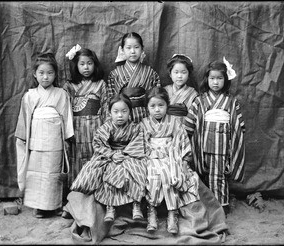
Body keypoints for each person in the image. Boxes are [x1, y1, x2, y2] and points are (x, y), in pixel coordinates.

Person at [70, 93, 147, 222]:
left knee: (137, 169)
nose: (120, 115)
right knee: (109, 171)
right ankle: (110, 207)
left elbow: (138, 145)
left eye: (124, 111)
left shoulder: (136, 128)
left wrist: (123, 155)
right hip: (109, 155)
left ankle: (136, 205)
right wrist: (112, 154)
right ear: (110, 112)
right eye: (116, 112)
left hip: (129, 155)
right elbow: (99, 145)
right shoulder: (106, 127)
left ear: (130, 112)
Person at [15, 52, 74, 218]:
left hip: (55, 140)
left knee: (52, 173)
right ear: (35, 74)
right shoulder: (29, 96)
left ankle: (54, 205)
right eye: (41, 73)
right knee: (36, 172)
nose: (45, 77)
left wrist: (67, 138)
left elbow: (66, 117)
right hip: (36, 140)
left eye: (50, 73)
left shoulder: (62, 94)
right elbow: (24, 119)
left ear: (55, 74)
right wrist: (22, 138)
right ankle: (39, 206)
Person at [185, 57, 246, 214]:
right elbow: (189, 124)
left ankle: (222, 206)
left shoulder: (231, 102)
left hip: (222, 144)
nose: (216, 82)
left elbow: (239, 126)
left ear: (225, 80)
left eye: (219, 78)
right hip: (203, 144)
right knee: (203, 174)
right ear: (207, 79)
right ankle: (207, 205)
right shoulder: (200, 100)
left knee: (220, 176)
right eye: (212, 78)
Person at [140, 86, 200, 234]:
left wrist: (182, 159)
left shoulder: (174, 122)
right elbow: (140, 144)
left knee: (170, 174)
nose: (157, 110)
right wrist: (152, 153)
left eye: (161, 105)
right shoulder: (144, 123)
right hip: (151, 157)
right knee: (152, 175)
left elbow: (182, 141)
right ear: (147, 107)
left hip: (171, 155)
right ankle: (151, 211)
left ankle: (172, 213)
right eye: (152, 106)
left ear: (167, 105)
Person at [63, 44, 108, 187]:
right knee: (76, 158)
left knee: (95, 156)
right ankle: (75, 194)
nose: (86, 67)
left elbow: (106, 107)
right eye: (82, 64)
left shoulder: (100, 84)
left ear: (95, 65)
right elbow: (65, 111)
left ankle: (96, 192)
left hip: (96, 126)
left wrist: (106, 130)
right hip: (76, 128)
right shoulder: (69, 86)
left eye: (89, 63)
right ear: (76, 66)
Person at [107, 32, 161, 123]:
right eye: (128, 48)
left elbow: (156, 97)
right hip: (123, 117)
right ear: (122, 50)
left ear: (142, 49)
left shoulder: (150, 73)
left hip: (146, 118)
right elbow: (110, 99)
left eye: (136, 47)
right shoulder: (115, 74)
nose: (132, 51)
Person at [165, 54, 199, 122]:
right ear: (170, 74)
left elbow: (194, 116)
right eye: (176, 72)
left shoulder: (193, 94)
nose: (179, 76)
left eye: (183, 72)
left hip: (185, 127)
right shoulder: (164, 91)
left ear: (188, 74)